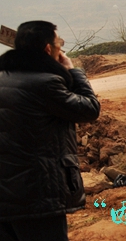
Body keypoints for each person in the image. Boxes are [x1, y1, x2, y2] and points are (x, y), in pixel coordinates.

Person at [0, 21, 101, 241]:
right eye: (59, 43)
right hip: (38, 196)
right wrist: (73, 71)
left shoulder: (3, 79)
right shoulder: (45, 84)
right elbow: (90, 109)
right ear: (48, 49)